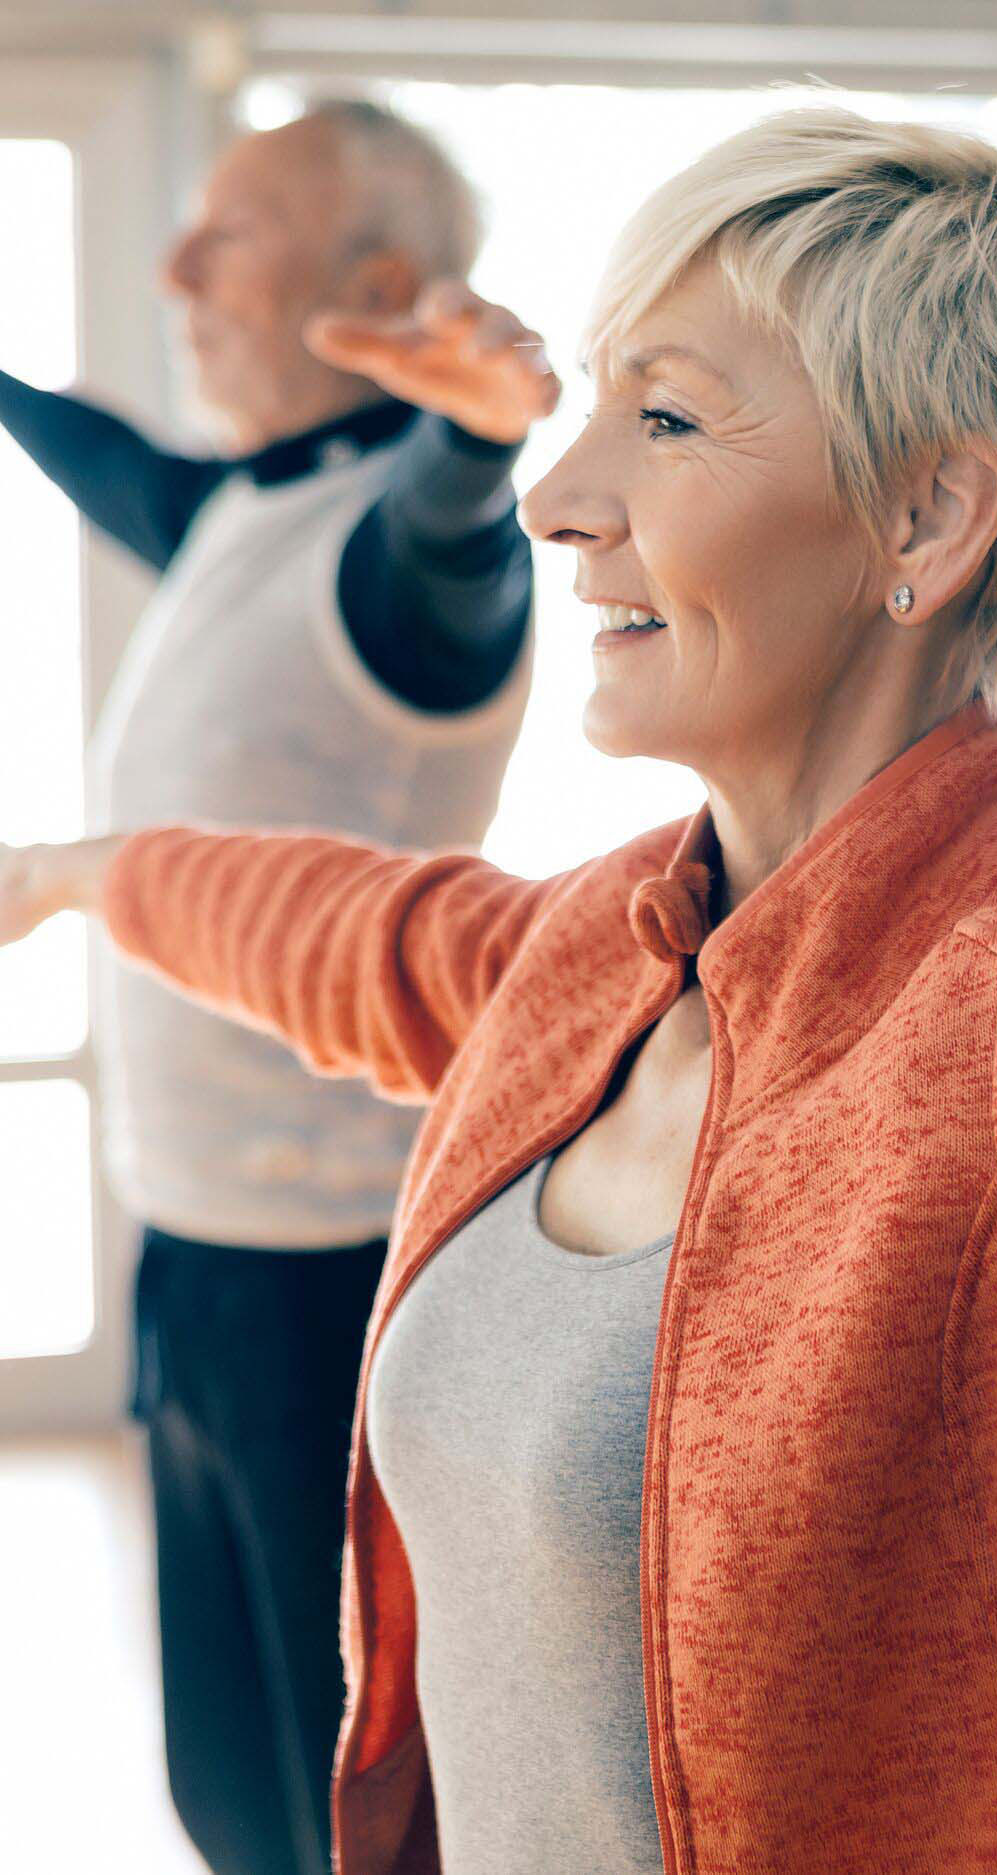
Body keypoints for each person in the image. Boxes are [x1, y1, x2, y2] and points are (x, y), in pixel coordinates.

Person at [4, 105, 997, 1875]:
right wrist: (77, 875)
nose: (556, 504)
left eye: (664, 419)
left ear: (930, 513)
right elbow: (361, 931)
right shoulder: (605, 953)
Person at [0, 99, 557, 1875]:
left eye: (226, 233)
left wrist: (477, 440)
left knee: (357, 1811)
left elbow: (451, 540)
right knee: (229, 1788)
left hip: (343, 1279)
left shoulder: (402, 561)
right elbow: (99, 455)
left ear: (376, 284)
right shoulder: (244, 510)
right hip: (194, 1254)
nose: (174, 267)